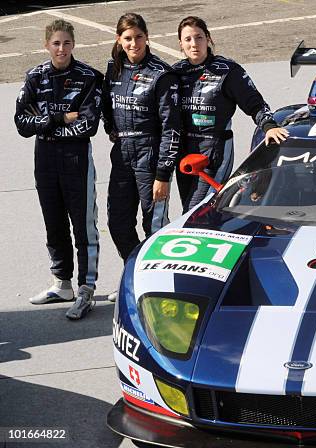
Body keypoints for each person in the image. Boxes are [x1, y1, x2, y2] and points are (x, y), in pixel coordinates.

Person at [14, 19, 103, 320]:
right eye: (56, 43)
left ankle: (86, 288)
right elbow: (21, 124)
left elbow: (87, 125)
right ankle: (62, 283)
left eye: (66, 43)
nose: (61, 48)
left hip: (76, 159)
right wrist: (59, 118)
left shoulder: (89, 77)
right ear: (46, 45)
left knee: (83, 225)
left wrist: (48, 124)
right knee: (54, 223)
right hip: (45, 159)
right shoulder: (35, 76)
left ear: (74, 44)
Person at [173, 16, 288, 213]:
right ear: (181, 44)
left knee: (198, 211)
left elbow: (254, 103)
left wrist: (269, 125)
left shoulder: (227, 70)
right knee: (192, 209)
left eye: (199, 37)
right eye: (188, 39)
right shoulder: (175, 72)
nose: (194, 44)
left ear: (208, 39)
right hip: (184, 151)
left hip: (214, 150)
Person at [102, 12, 181, 298]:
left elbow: (172, 127)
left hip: (151, 155)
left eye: (138, 37)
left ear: (147, 37)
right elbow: (105, 107)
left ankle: (159, 285)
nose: (133, 43)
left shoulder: (162, 73)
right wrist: (111, 128)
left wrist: (163, 173)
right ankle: (134, 273)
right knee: (118, 221)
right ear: (119, 40)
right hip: (122, 155)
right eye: (127, 38)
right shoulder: (114, 68)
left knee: (155, 225)